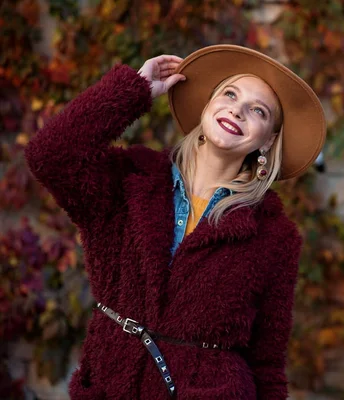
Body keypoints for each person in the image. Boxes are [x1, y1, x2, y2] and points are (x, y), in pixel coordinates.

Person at [24, 45, 325, 400]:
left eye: (257, 110)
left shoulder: (275, 235)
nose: (237, 109)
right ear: (208, 104)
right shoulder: (131, 179)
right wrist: (133, 91)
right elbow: (50, 155)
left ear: (268, 139)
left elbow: (267, 364)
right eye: (230, 93)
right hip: (108, 386)